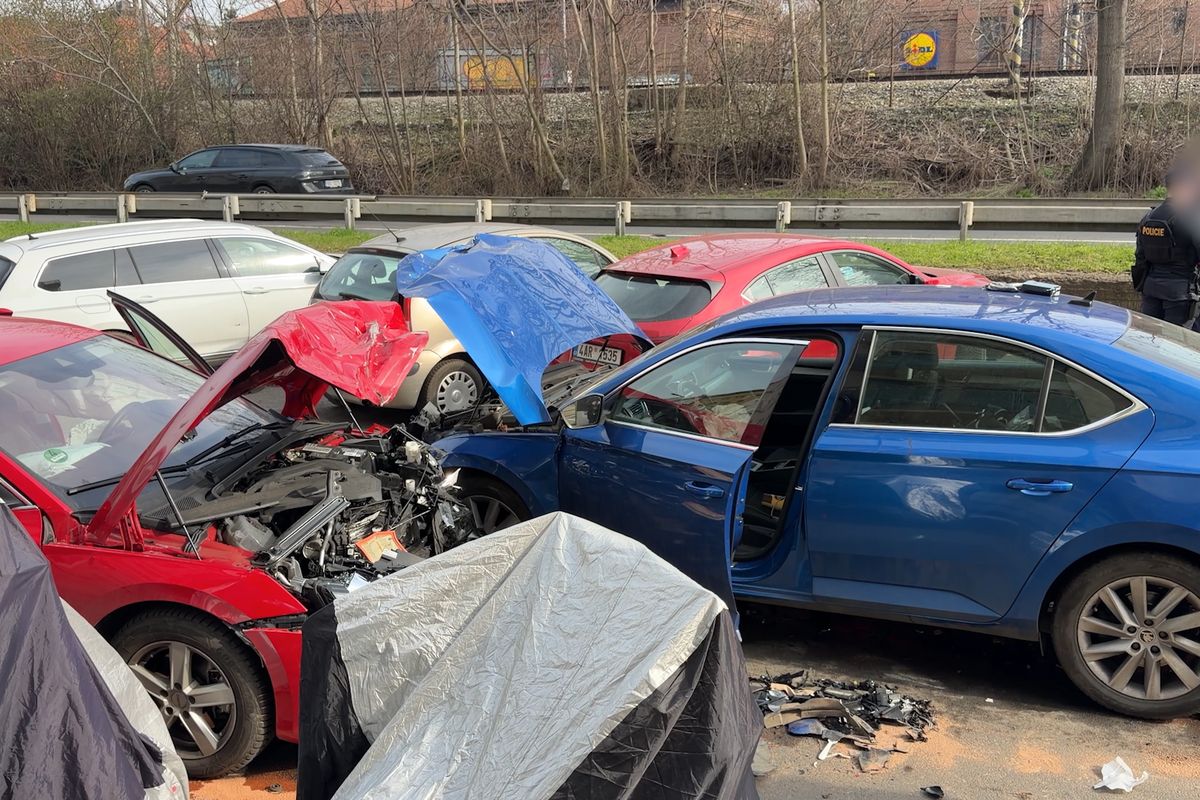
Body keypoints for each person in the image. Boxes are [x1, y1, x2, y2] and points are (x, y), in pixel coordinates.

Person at [1133, 170, 1200, 327]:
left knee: (1151, 339)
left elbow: (1140, 256)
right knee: (1179, 344)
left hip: (1150, 291)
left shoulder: (1149, 217)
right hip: (1180, 293)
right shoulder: (1190, 218)